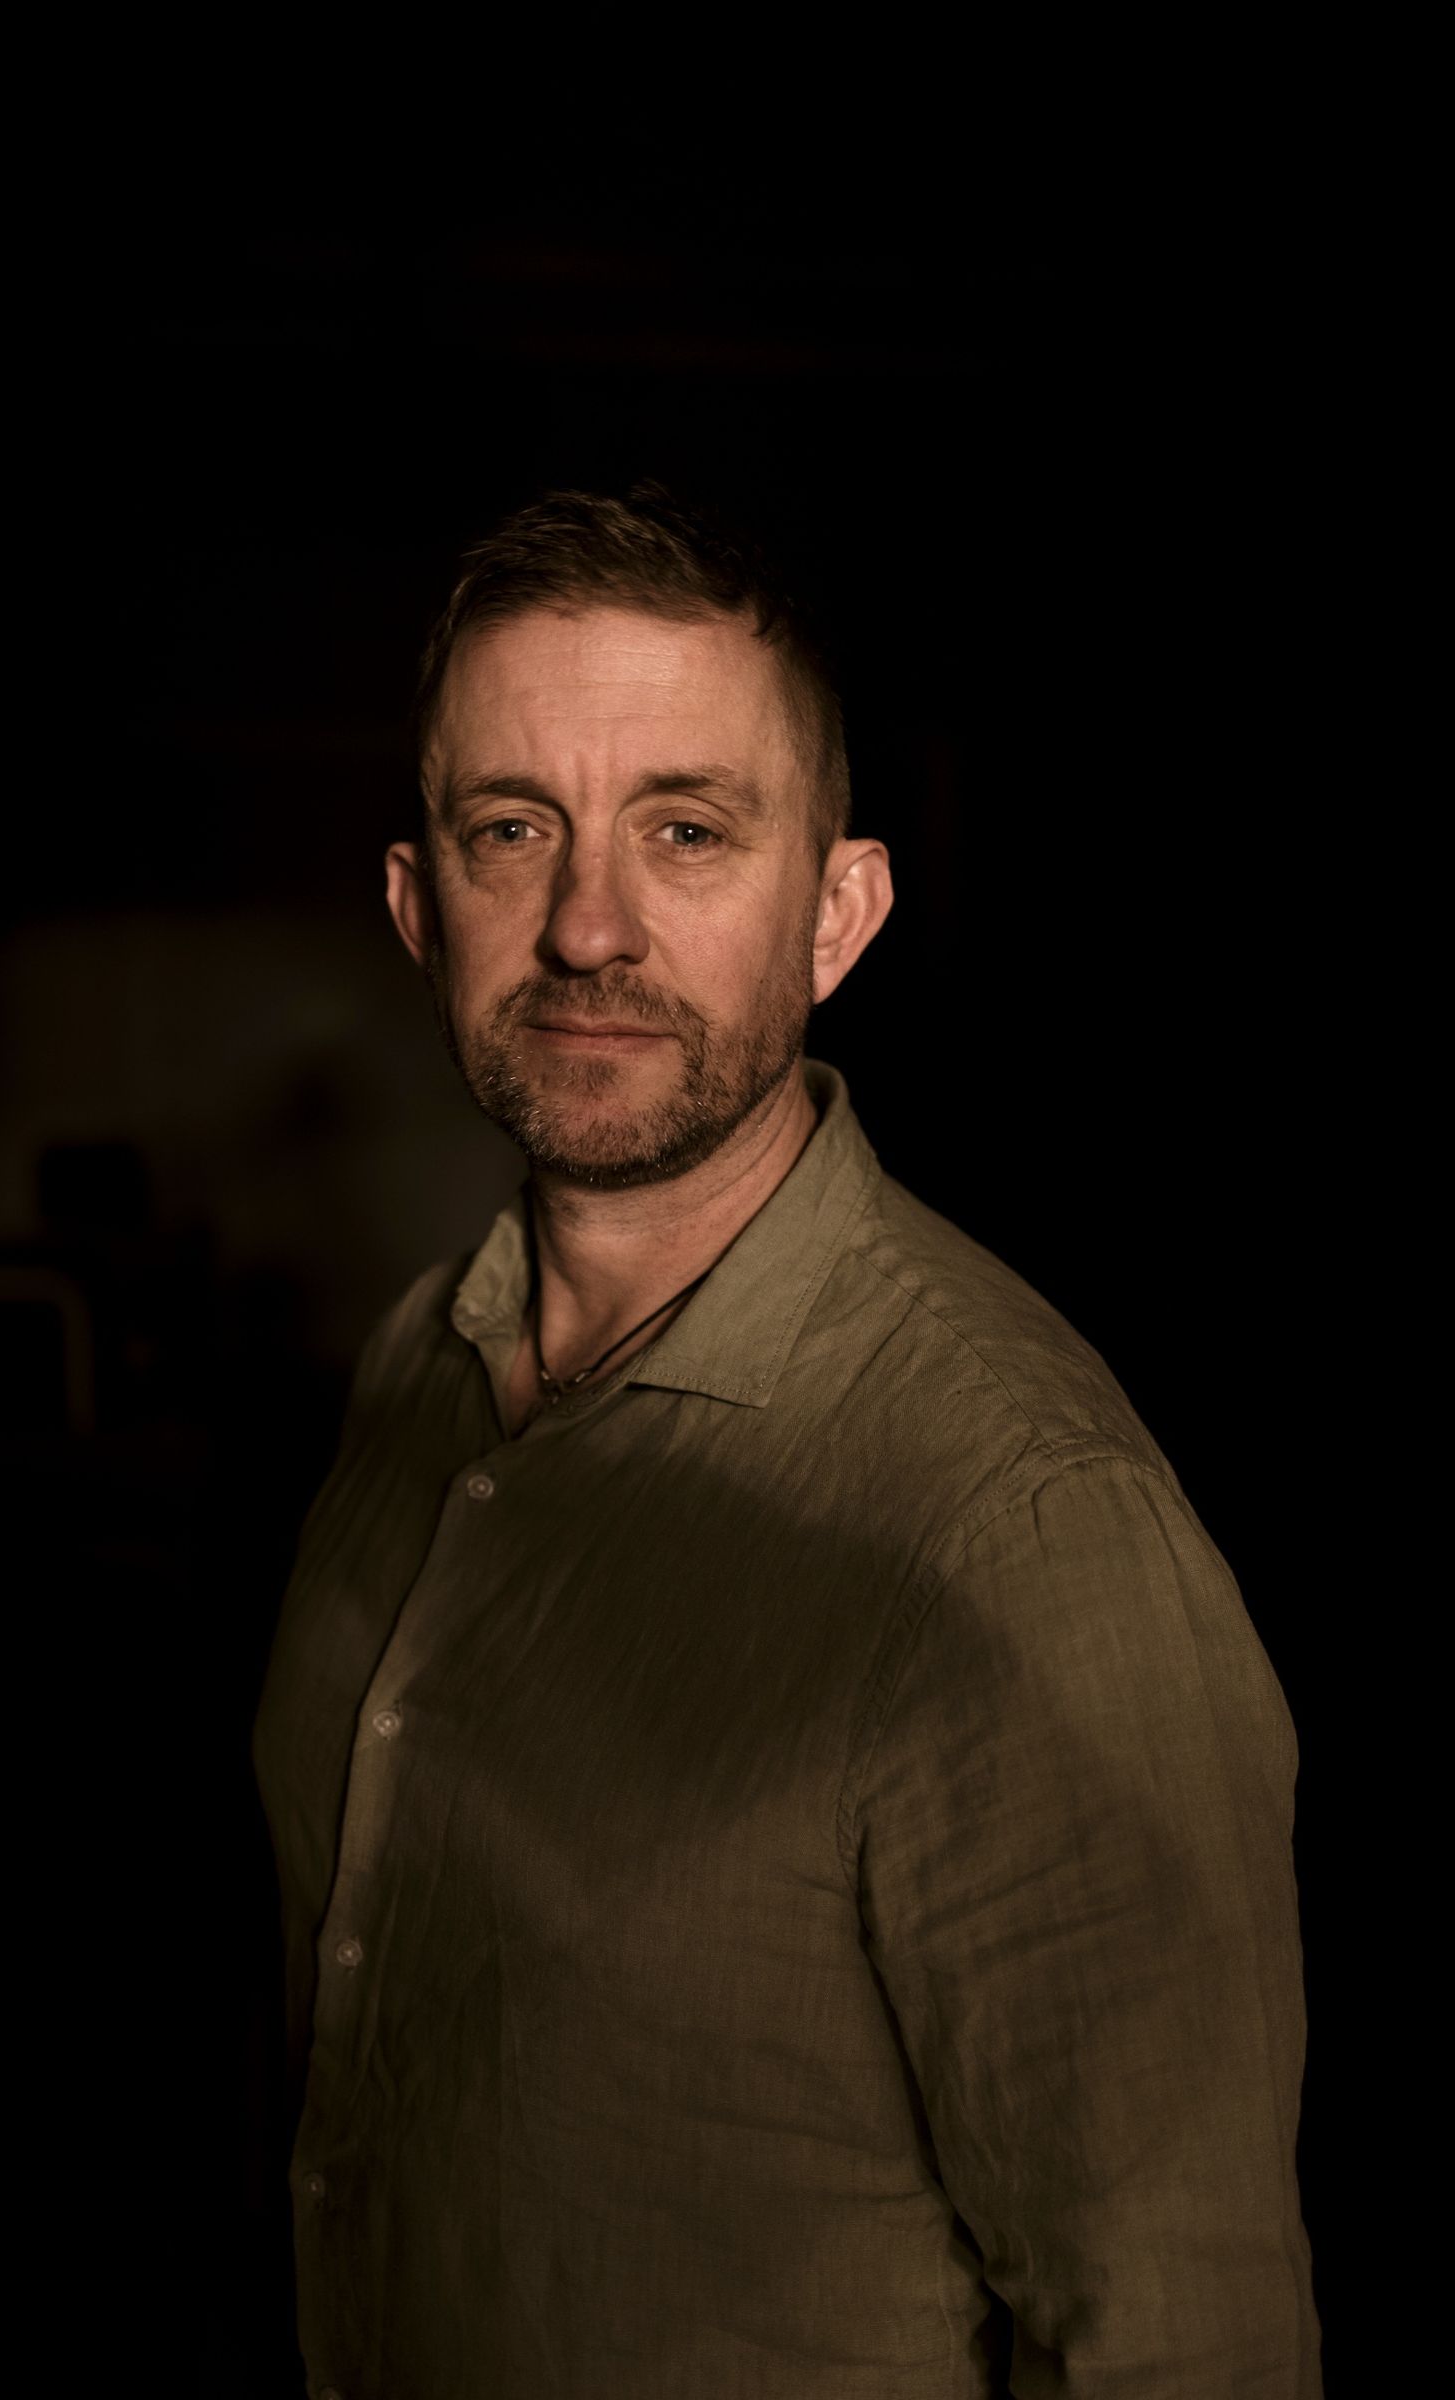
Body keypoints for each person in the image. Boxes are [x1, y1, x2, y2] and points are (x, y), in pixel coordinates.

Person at [254, 485, 1321, 2397]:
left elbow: (1186, 2342)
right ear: (420, 907)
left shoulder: (1021, 1526)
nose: (588, 925)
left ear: (838, 914)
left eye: (687, 830)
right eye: (514, 829)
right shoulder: (422, 1362)